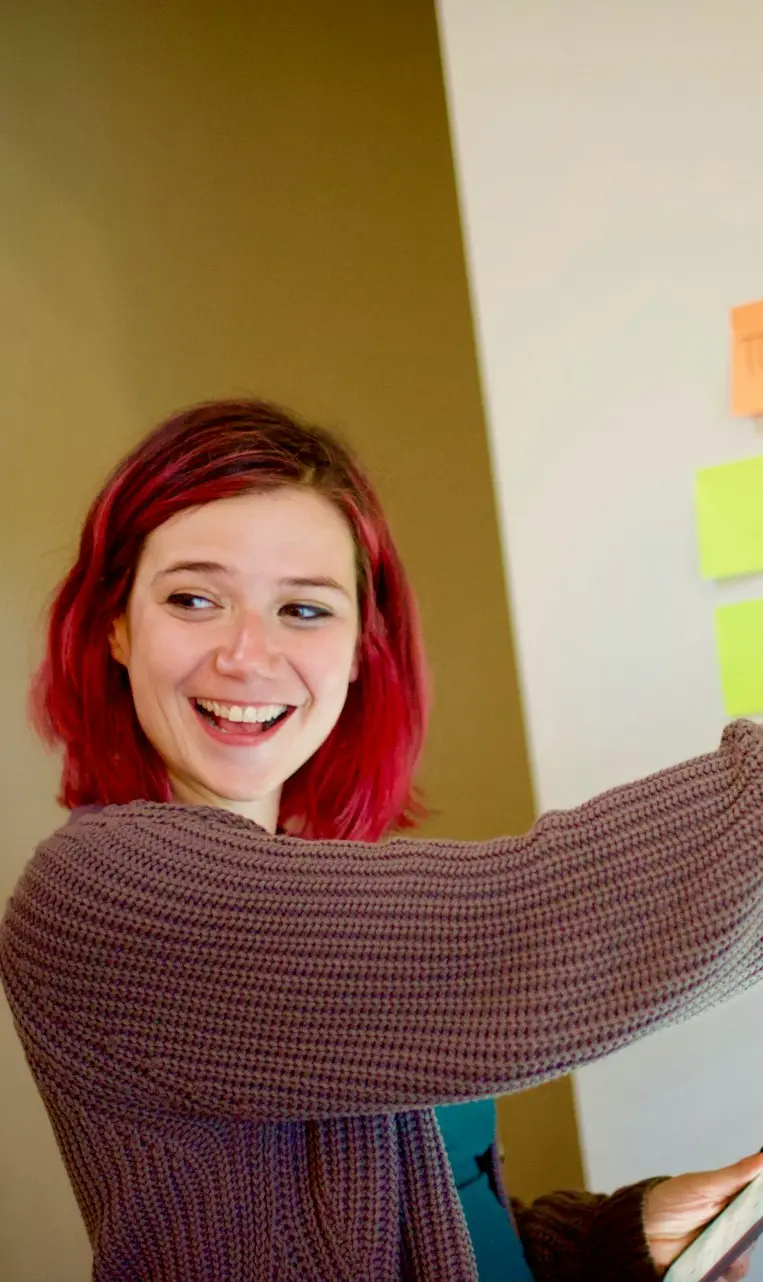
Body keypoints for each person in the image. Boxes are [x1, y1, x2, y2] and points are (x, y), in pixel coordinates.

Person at [1, 397, 762, 1282]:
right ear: (117, 626)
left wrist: (619, 1239)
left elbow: (439, 1231)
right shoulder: (102, 892)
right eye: (194, 598)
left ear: (363, 647)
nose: (247, 655)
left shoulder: (326, 885)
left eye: (305, 610)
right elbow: (512, 935)